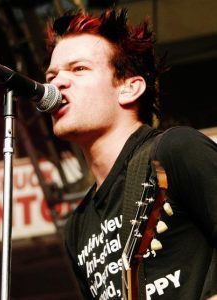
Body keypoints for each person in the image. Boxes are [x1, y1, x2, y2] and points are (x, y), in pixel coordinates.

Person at [44, 8, 217, 300]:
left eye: (79, 69)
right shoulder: (78, 226)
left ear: (129, 88)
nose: (56, 82)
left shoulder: (175, 152)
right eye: (52, 74)